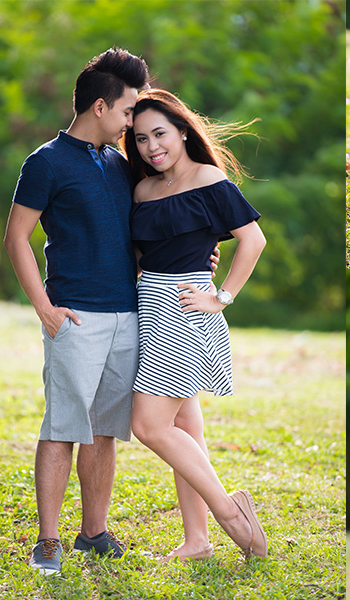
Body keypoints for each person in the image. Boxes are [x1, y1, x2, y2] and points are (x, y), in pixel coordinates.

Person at [4, 47, 152, 576]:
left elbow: (134, 238)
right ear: (99, 107)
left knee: (105, 430)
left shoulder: (118, 164)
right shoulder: (45, 162)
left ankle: (93, 533)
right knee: (63, 428)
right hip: (75, 318)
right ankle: (48, 541)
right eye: (129, 110)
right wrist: (44, 309)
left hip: (127, 317)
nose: (133, 122)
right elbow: (16, 237)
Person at [122, 89, 268, 561]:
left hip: (186, 310)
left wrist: (221, 297)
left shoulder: (209, 180)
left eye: (160, 133)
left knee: (148, 425)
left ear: (183, 131)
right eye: (141, 138)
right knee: (185, 424)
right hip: (151, 307)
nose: (151, 146)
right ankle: (197, 541)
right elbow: (147, 253)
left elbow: (254, 240)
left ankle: (232, 517)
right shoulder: (142, 189)